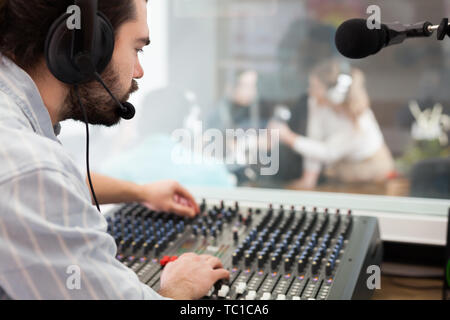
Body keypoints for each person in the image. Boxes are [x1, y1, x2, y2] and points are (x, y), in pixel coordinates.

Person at [0, 0, 229, 300]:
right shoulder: (27, 164)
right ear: (83, 49)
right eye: (137, 49)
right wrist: (180, 287)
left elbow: (49, 186)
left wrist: (141, 192)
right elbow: (35, 177)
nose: (139, 71)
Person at [269, 59, 394, 189]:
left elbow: (328, 152)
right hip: (342, 165)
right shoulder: (315, 101)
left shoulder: (358, 121)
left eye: (315, 87)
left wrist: (289, 138)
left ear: (334, 94)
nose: (309, 91)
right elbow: (314, 138)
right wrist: (308, 179)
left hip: (371, 168)